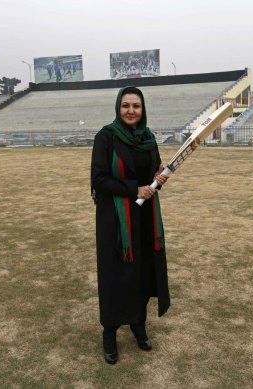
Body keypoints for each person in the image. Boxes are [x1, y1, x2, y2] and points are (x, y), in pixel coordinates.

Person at [90, 86, 171, 365]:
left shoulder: (148, 138)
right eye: (126, 105)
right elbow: (99, 180)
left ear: (143, 109)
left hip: (144, 217)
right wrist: (134, 190)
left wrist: (158, 176)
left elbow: (150, 178)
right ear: (118, 107)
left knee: (141, 271)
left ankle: (138, 324)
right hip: (115, 219)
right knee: (115, 275)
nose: (131, 111)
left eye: (136, 106)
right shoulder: (106, 137)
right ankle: (110, 332)